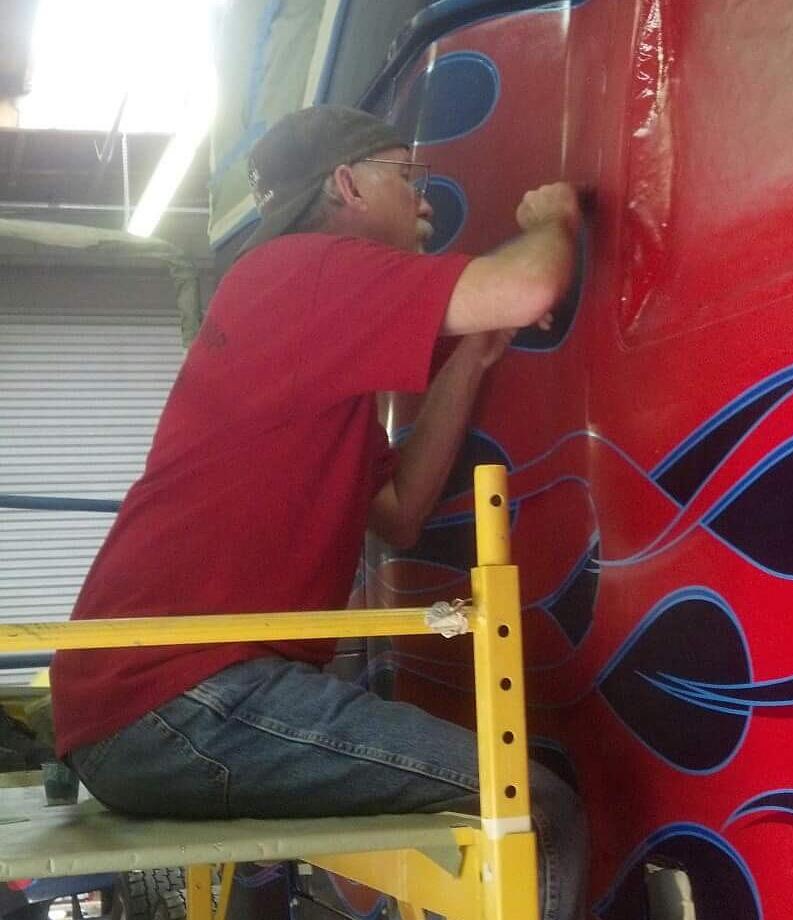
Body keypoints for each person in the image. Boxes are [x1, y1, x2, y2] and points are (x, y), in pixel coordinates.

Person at [51, 105, 586, 920]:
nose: (426, 203)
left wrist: (475, 354)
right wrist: (555, 222)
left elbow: (401, 512)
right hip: (177, 697)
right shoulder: (304, 269)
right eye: (408, 178)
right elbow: (529, 281)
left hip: (151, 703)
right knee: (534, 812)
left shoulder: (305, 326)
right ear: (346, 184)